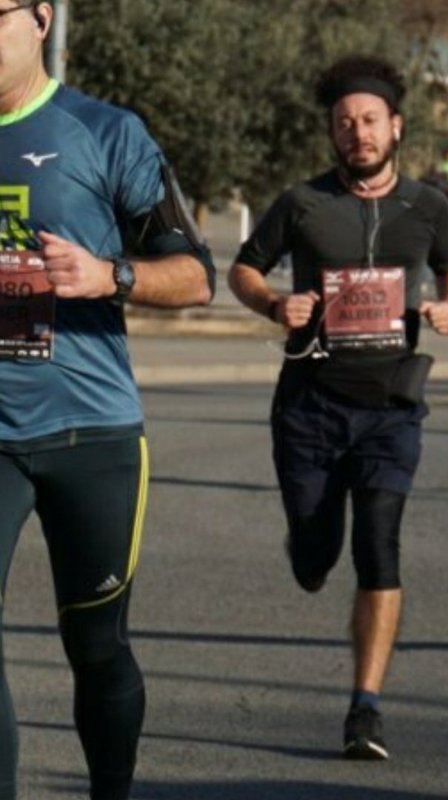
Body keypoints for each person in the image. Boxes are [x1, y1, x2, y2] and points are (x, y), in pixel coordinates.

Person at [227, 55, 448, 760]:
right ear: (332, 134)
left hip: (391, 406)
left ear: (396, 126)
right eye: (344, 123)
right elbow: (243, 268)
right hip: (309, 403)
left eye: (369, 121)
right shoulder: (303, 202)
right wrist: (275, 303)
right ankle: (308, 544)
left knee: (379, 545)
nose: (357, 133)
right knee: (315, 555)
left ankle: (366, 708)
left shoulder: (427, 206)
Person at [0, 3, 215, 799]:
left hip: (90, 432)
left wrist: (108, 275)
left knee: (95, 645)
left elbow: (196, 274)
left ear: (41, 19)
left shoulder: (106, 132)